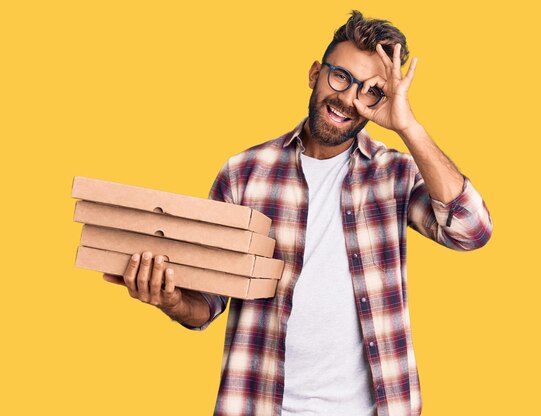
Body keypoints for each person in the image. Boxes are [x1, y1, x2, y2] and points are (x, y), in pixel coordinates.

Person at [103, 10, 493, 416]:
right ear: (314, 74)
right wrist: (169, 299)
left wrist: (409, 126)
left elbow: (471, 230)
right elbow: (208, 301)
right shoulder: (244, 173)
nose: (347, 97)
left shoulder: (394, 174)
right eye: (340, 76)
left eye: (369, 90)